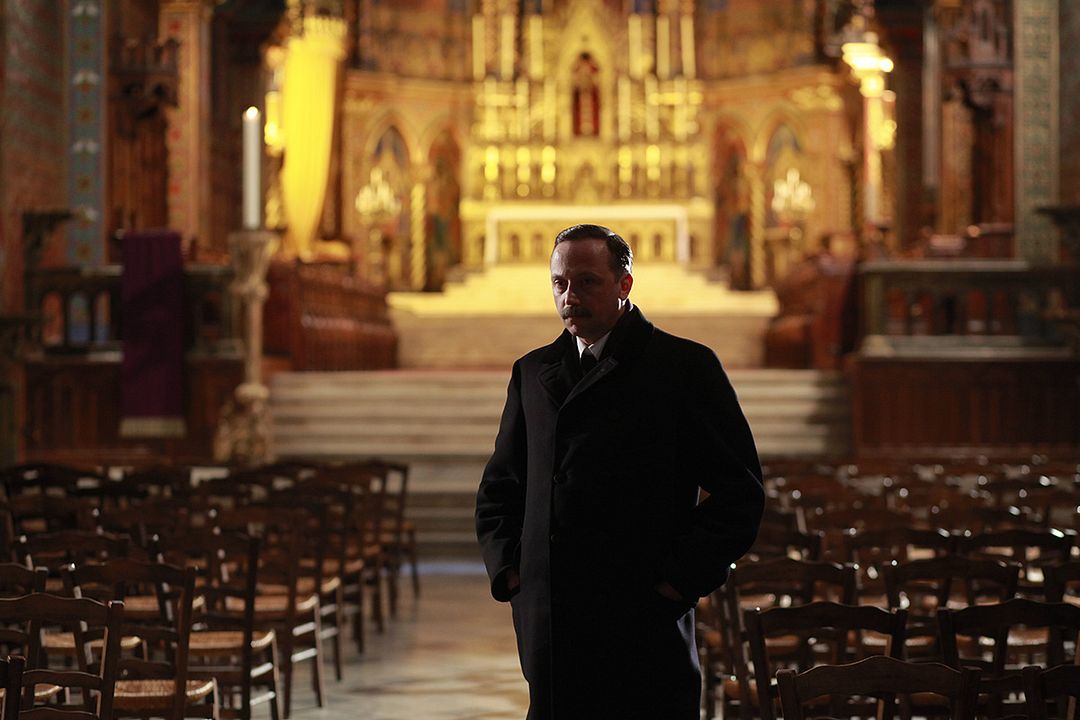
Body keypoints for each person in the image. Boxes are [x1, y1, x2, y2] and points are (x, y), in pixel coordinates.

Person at [476, 223, 764, 719]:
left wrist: (676, 582)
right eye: (560, 283)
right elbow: (501, 488)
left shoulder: (684, 367)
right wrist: (514, 576)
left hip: (643, 620)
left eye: (587, 281)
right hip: (553, 626)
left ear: (624, 284)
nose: (570, 296)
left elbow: (740, 496)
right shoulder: (532, 372)